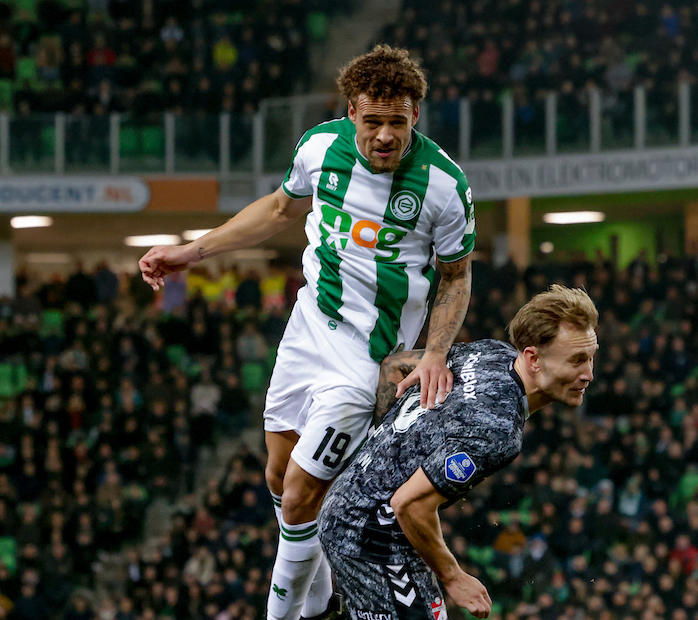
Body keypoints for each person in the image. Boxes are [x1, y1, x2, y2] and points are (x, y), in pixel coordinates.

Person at [138, 45, 475, 620]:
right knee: (277, 473)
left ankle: (290, 615)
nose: (386, 136)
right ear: (351, 113)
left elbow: (456, 275)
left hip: (368, 360)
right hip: (307, 329)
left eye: (398, 121)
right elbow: (276, 210)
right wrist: (191, 253)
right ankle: (316, 596)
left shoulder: (444, 186)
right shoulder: (320, 149)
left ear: (415, 114)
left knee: (299, 494)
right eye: (373, 122)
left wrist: (435, 354)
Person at [319, 285, 598, 620]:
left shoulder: (491, 353)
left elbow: (396, 367)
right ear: (533, 358)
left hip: (353, 509)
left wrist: (379, 450)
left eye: (591, 356)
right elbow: (408, 503)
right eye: (577, 360)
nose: (589, 374)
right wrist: (454, 577)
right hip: (370, 534)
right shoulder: (497, 429)